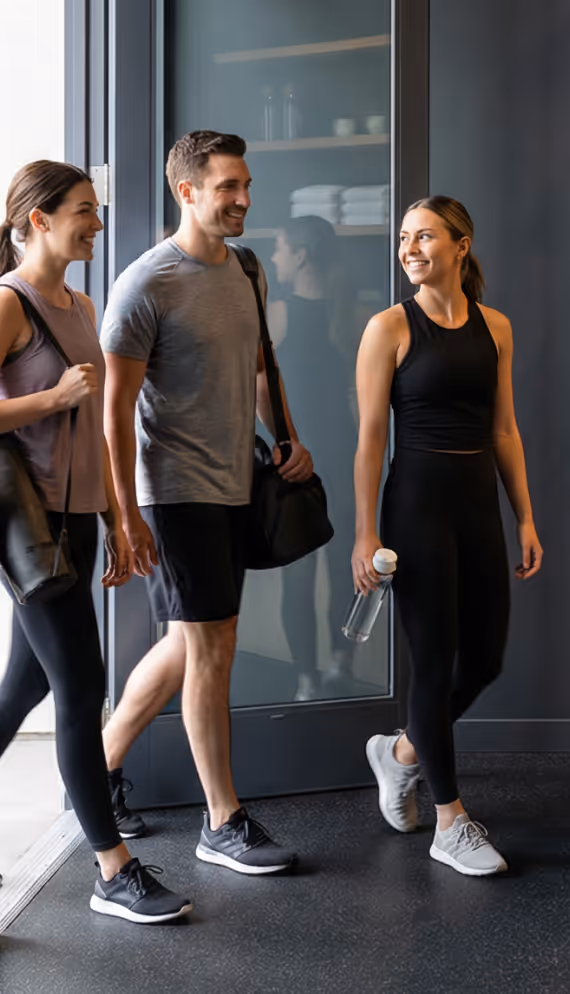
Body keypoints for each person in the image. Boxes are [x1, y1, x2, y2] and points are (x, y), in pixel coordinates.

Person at [97, 131, 313, 874]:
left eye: (245, 184)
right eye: (227, 186)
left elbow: (258, 363)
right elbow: (114, 410)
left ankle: (97, 769)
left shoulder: (248, 268)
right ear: (186, 191)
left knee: (192, 640)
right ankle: (222, 821)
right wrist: (124, 515)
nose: (244, 199)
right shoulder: (144, 286)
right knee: (214, 645)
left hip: (235, 482)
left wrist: (283, 434)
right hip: (176, 491)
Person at [0, 161, 190, 922]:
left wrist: (116, 516)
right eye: (84, 211)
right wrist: (50, 395)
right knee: (82, 687)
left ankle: (109, 863)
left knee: (28, 684)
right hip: (28, 525)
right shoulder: (10, 303)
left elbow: (97, 429)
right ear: (38, 219)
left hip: (77, 520)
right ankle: (112, 868)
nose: (98, 225)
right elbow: (59, 407)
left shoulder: (78, 303)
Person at [353, 195, 542, 876]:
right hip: (416, 509)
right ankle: (450, 820)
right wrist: (364, 533)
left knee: (484, 659)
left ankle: (401, 753)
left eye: (424, 236)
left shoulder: (496, 327)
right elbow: (371, 440)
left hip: (476, 506)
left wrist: (523, 515)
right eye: (405, 237)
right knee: (432, 663)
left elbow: (504, 430)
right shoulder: (388, 329)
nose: (410, 248)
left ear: (461, 244)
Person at [268, 216, 358, 702]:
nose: (277, 258)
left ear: (301, 255)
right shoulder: (351, 314)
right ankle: (341, 668)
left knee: (298, 573)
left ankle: (306, 681)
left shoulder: (278, 314)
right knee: (345, 565)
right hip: (343, 453)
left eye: (281, 248)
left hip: (296, 460)